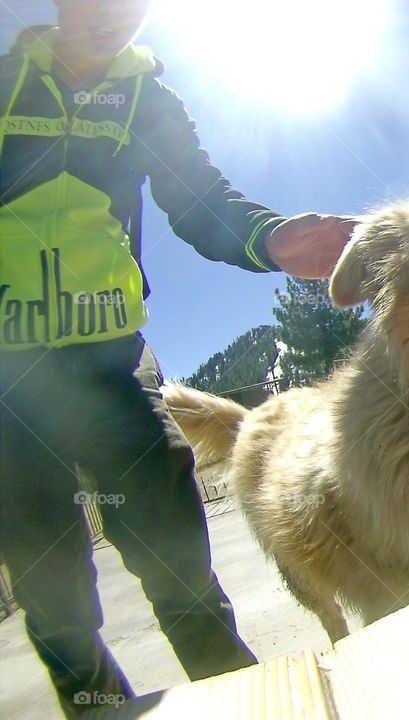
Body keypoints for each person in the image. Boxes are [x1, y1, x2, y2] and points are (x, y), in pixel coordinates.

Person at [0, 2, 354, 717]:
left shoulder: (147, 99)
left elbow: (200, 201)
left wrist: (273, 238)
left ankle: (245, 702)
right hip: (8, 381)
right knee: (54, 598)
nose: (110, 18)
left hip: (112, 363)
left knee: (180, 569)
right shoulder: (8, 80)